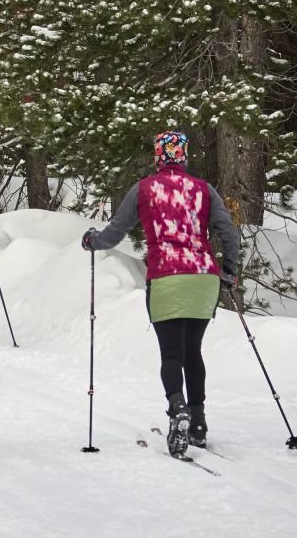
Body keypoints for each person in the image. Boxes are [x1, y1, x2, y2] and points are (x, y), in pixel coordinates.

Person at [81, 131, 240, 456]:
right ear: (184, 156)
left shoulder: (143, 189)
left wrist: (91, 241)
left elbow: (113, 234)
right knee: (193, 351)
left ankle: (177, 408)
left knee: (172, 354)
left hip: (166, 276)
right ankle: (198, 423)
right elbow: (229, 233)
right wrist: (228, 271)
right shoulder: (203, 189)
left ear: (157, 157)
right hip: (203, 279)